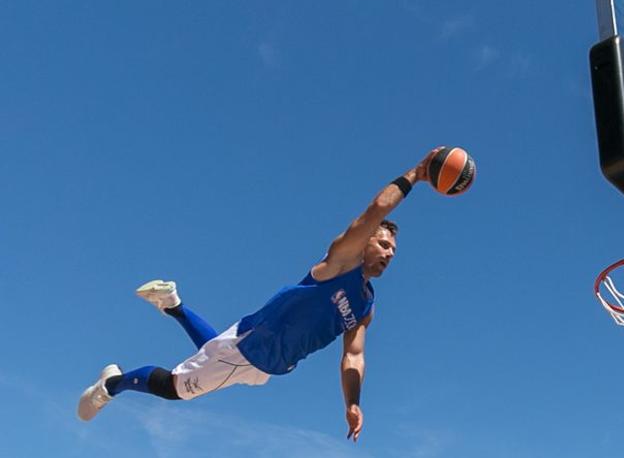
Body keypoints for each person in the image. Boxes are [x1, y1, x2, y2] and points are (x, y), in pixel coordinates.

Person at [77, 149, 448, 441]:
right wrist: (416, 174)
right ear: (364, 243)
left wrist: (352, 403)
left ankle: (175, 307)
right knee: (175, 388)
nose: (388, 253)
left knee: (215, 355)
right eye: (382, 244)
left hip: (269, 362)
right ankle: (112, 384)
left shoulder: (366, 303)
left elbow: (353, 355)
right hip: (251, 348)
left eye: (393, 251)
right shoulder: (339, 264)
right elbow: (375, 210)